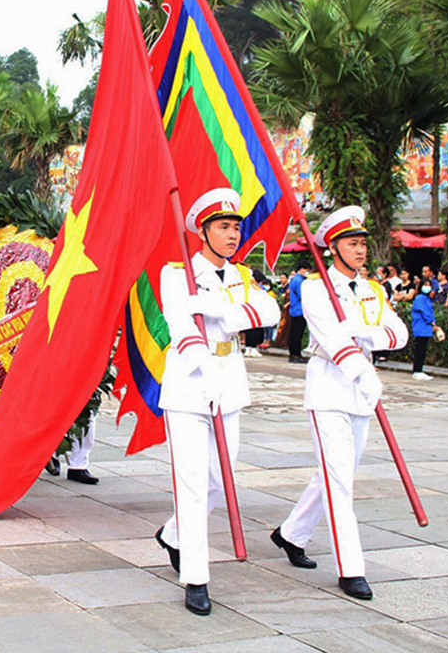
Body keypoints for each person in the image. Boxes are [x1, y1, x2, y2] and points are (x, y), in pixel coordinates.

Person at [154, 188, 280, 616]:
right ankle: (196, 577)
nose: (233, 234)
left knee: (216, 482)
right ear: (203, 232)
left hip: (229, 386)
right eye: (224, 227)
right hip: (191, 387)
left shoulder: (243, 277)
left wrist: (217, 307)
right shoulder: (177, 274)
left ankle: (173, 534)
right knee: (191, 483)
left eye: (236, 226)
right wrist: (202, 369)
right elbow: (181, 326)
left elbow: (270, 314)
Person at [272, 206, 408, 603]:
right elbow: (332, 341)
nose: (361, 250)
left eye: (363, 243)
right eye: (352, 243)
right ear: (333, 248)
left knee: (334, 472)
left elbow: (397, 334)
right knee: (339, 481)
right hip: (330, 390)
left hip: (361, 396)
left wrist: (362, 332)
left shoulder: (373, 289)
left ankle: (291, 534)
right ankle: (352, 568)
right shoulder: (316, 287)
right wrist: (364, 366)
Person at [411, 281, 437, 381]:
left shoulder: (427, 299)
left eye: (429, 285)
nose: (427, 287)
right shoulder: (420, 298)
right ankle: (417, 370)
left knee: (423, 349)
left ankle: (419, 369)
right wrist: (432, 322)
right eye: (425, 285)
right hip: (421, 327)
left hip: (426, 328)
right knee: (420, 349)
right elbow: (425, 312)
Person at [287, 260, 311, 363]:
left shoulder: (293, 279)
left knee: (292, 333)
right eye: (307, 270)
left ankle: (293, 354)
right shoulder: (300, 281)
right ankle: (296, 355)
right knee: (298, 334)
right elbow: (303, 296)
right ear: (302, 269)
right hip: (300, 309)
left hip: (294, 309)